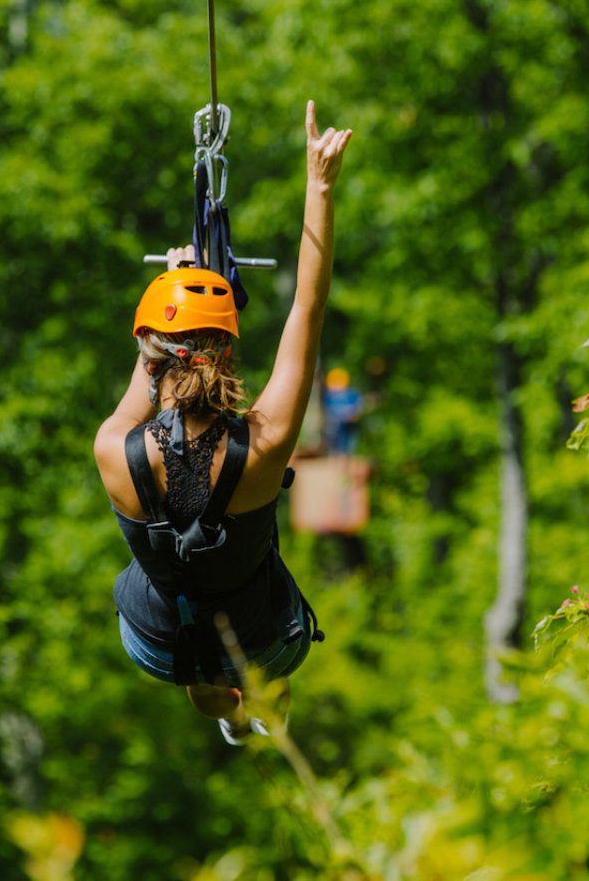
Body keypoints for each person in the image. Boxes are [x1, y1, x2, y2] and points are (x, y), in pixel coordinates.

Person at [94, 101, 352, 745]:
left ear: (148, 350)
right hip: (265, 637)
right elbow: (307, 312)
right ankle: (265, 700)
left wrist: (175, 287)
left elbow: (147, 372)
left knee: (179, 610)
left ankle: (224, 707)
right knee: (256, 631)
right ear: (225, 351)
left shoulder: (113, 451)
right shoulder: (263, 444)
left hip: (157, 643)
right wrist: (318, 187)